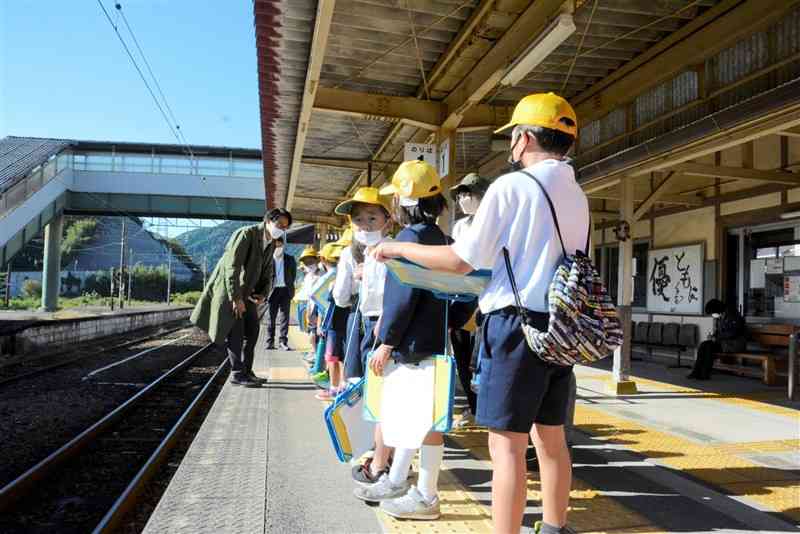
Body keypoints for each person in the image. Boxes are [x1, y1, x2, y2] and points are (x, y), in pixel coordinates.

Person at [371, 92, 586, 534]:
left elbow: (461, 260)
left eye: (513, 137)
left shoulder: (513, 186)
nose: (512, 145)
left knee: (506, 445)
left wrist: (395, 247)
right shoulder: (576, 192)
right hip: (561, 325)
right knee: (551, 436)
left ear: (524, 138)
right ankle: (554, 527)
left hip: (515, 324)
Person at [354, 160, 449, 521]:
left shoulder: (407, 240)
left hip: (411, 346)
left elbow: (401, 296)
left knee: (422, 421)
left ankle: (425, 495)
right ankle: (396, 479)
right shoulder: (441, 238)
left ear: (405, 203)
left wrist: (387, 341)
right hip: (435, 340)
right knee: (418, 417)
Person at [191, 208, 292, 387]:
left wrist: (262, 293)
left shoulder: (270, 243)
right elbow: (233, 267)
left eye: (285, 227)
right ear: (268, 220)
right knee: (236, 333)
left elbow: (267, 272)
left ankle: (247, 370)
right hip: (232, 292)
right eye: (279, 224)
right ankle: (237, 373)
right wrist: (235, 298)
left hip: (248, 294)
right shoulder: (246, 234)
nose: (281, 229)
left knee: (253, 331)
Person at [334, 187, 395, 487]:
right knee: (381, 390)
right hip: (383, 325)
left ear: (388, 218)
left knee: (372, 390)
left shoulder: (352, 252)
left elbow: (340, 297)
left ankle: (378, 454)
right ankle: (382, 453)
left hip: (371, 326)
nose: (365, 224)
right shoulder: (395, 246)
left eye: (372, 217)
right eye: (359, 219)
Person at [449, 172, 490, 426]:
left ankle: (486, 409)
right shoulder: (460, 226)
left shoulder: (493, 222)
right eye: (461, 194)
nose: (464, 198)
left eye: (469, 193)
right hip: (461, 300)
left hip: (486, 300)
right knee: (463, 360)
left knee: (483, 360)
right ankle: (474, 409)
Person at [264, 236, 297, 351]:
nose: (278, 247)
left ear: (283, 245)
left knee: (284, 318)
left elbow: (293, 275)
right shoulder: (267, 260)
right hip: (272, 291)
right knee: (270, 318)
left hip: (285, 290)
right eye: (276, 244)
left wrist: (289, 286)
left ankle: (283, 342)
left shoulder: (290, 259)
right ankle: (270, 341)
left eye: (280, 244)